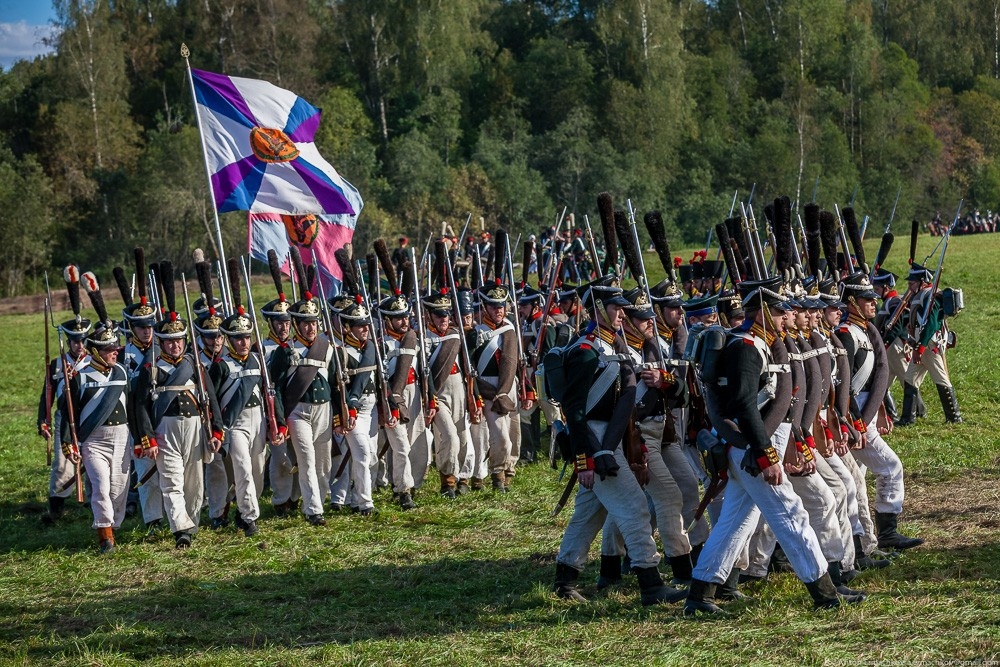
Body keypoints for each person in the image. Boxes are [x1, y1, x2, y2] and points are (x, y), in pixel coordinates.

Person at [685, 276, 862, 615]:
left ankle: (700, 594)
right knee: (792, 514)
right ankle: (824, 592)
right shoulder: (746, 348)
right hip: (753, 449)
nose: (785, 316)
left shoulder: (756, 343)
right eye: (779, 310)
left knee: (734, 522)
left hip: (752, 447)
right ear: (763, 310)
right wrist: (766, 455)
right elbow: (745, 407)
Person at [552, 277, 686, 606]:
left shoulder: (613, 346)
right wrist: (588, 455)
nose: (622, 315)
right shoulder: (586, 350)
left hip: (610, 439)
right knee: (635, 508)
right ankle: (651, 584)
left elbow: (627, 396)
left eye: (624, 310)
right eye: (616, 308)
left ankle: (565, 580)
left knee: (589, 515)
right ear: (598, 309)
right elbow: (574, 410)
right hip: (596, 439)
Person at [133, 261, 223, 549]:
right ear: (160, 342)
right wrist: (146, 438)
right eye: (169, 342)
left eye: (178, 341)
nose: (174, 346)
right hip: (165, 430)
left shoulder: (195, 366)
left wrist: (217, 431)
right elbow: (141, 407)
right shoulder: (151, 369)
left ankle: (191, 522)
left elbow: (211, 400)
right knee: (171, 481)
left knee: (194, 483)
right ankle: (180, 528)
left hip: (195, 428)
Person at [835, 271, 924, 551]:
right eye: (866, 299)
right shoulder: (846, 334)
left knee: (853, 481)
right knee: (890, 467)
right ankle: (884, 533)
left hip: (866, 411)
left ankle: (864, 539)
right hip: (854, 415)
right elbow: (844, 385)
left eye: (873, 298)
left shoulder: (863, 330)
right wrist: (856, 422)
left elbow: (876, 376)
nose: (873, 303)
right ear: (851, 302)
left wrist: (882, 407)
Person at [61, 273, 130, 554]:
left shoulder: (123, 372)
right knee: (100, 487)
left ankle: (112, 525)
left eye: (115, 349)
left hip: (123, 437)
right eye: (108, 349)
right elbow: (69, 412)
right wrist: (69, 441)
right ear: (96, 351)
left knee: (119, 490)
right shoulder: (79, 375)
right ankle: (105, 536)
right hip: (94, 440)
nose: (114, 353)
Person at [269, 286, 336, 527]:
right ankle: (313, 510)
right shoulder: (285, 352)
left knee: (323, 462)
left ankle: (318, 498)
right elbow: (274, 388)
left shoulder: (326, 349)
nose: (311, 328)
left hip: (324, 410)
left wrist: (340, 415)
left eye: (314, 323)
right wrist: (279, 418)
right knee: (306, 460)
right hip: (298, 412)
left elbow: (336, 384)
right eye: (305, 323)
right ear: (296, 325)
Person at [210, 294, 275, 538]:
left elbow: (271, 393)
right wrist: (218, 428)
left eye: (246, 337)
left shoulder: (259, 360)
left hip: (258, 420)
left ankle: (243, 510)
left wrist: (275, 422)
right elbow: (214, 401)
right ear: (228, 340)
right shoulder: (221, 365)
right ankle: (250, 519)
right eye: (237, 338)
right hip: (234, 425)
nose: (243, 342)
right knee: (243, 469)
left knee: (258, 472)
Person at [38, 273, 91, 525]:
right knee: (62, 464)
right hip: (64, 417)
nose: (79, 347)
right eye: (75, 342)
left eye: (83, 342)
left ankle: (93, 501)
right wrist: (43, 420)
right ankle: (56, 507)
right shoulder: (57, 363)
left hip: (89, 415)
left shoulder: (95, 361)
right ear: (69, 342)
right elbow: (46, 394)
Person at [470, 278, 519, 491]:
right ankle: (497, 475)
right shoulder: (475, 333)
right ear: (484, 307)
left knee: (513, 435)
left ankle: (508, 472)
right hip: (487, 388)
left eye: (501, 305)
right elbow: (468, 366)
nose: (499, 310)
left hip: (509, 386)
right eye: (493, 306)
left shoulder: (509, 329)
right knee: (501, 437)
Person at [378, 288, 424, 509]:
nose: (404, 322)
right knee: (400, 445)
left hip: (414, 393)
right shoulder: (380, 344)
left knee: (415, 443)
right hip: (391, 397)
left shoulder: (414, 339)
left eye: (406, 317)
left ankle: (406, 484)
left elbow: (425, 373)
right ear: (387, 320)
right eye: (398, 318)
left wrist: (430, 399)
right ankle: (403, 491)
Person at [901, 263, 962, 424]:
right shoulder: (923, 295)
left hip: (929, 345)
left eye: (912, 283)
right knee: (910, 379)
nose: (909, 286)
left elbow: (932, 324)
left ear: (922, 281)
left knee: (941, 378)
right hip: (923, 345)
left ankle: (954, 417)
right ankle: (908, 418)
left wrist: (919, 349)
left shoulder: (930, 296)